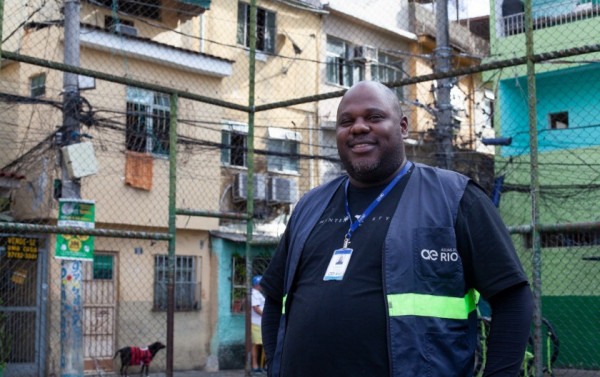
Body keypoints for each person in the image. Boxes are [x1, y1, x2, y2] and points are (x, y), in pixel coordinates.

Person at [260, 80, 533, 377]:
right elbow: (274, 298)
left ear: (403, 127)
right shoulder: (309, 206)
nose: (359, 127)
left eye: (374, 117)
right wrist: (276, 364)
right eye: (346, 121)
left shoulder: (456, 198)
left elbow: (512, 298)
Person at [251, 275, 266, 373]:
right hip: (257, 323)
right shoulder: (254, 294)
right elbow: (256, 308)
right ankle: (255, 366)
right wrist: (266, 315)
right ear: (257, 284)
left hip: (260, 323)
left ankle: (261, 366)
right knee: (256, 345)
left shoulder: (258, 293)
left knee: (261, 345)